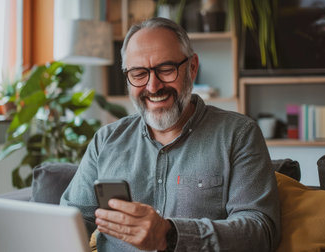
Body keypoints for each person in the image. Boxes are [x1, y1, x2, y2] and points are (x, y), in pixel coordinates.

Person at [60, 17, 281, 251]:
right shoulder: (106, 141)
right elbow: (69, 221)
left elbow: (261, 231)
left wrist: (170, 234)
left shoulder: (239, 135)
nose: (153, 86)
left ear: (192, 67)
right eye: (138, 74)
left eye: (166, 70)